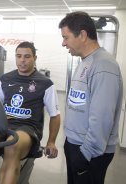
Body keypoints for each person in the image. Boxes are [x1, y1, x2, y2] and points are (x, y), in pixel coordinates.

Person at [0, 41, 61, 184]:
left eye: (27, 56)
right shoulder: (5, 79)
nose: (22, 60)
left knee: (12, 144)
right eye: (19, 56)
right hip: (4, 126)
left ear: (35, 58)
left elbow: (55, 115)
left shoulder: (45, 83)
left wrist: (51, 142)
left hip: (28, 129)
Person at [59, 11, 123, 184]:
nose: (63, 43)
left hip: (90, 152)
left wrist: (85, 154)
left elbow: (102, 117)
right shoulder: (86, 61)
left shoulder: (103, 65)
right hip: (76, 144)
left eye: (66, 37)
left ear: (82, 35)